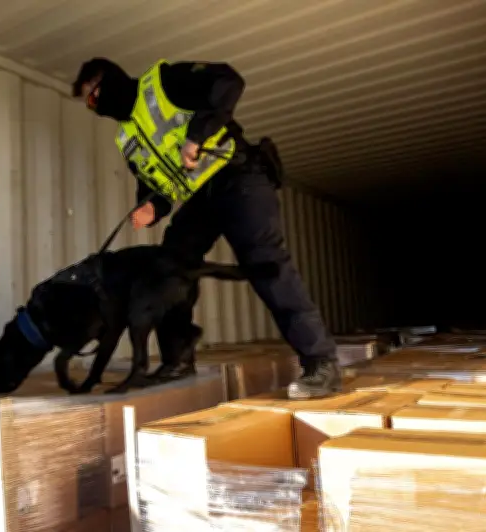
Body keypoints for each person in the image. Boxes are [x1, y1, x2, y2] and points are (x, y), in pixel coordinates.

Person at [71, 58, 341, 399]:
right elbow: (155, 186)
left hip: (238, 175)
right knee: (167, 267)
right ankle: (178, 360)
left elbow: (230, 81)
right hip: (202, 198)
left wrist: (196, 136)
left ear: (106, 81)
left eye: (93, 98)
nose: (94, 108)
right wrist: (152, 208)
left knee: (265, 264)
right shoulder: (128, 138)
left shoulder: (163, 84)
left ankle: (321, 363)